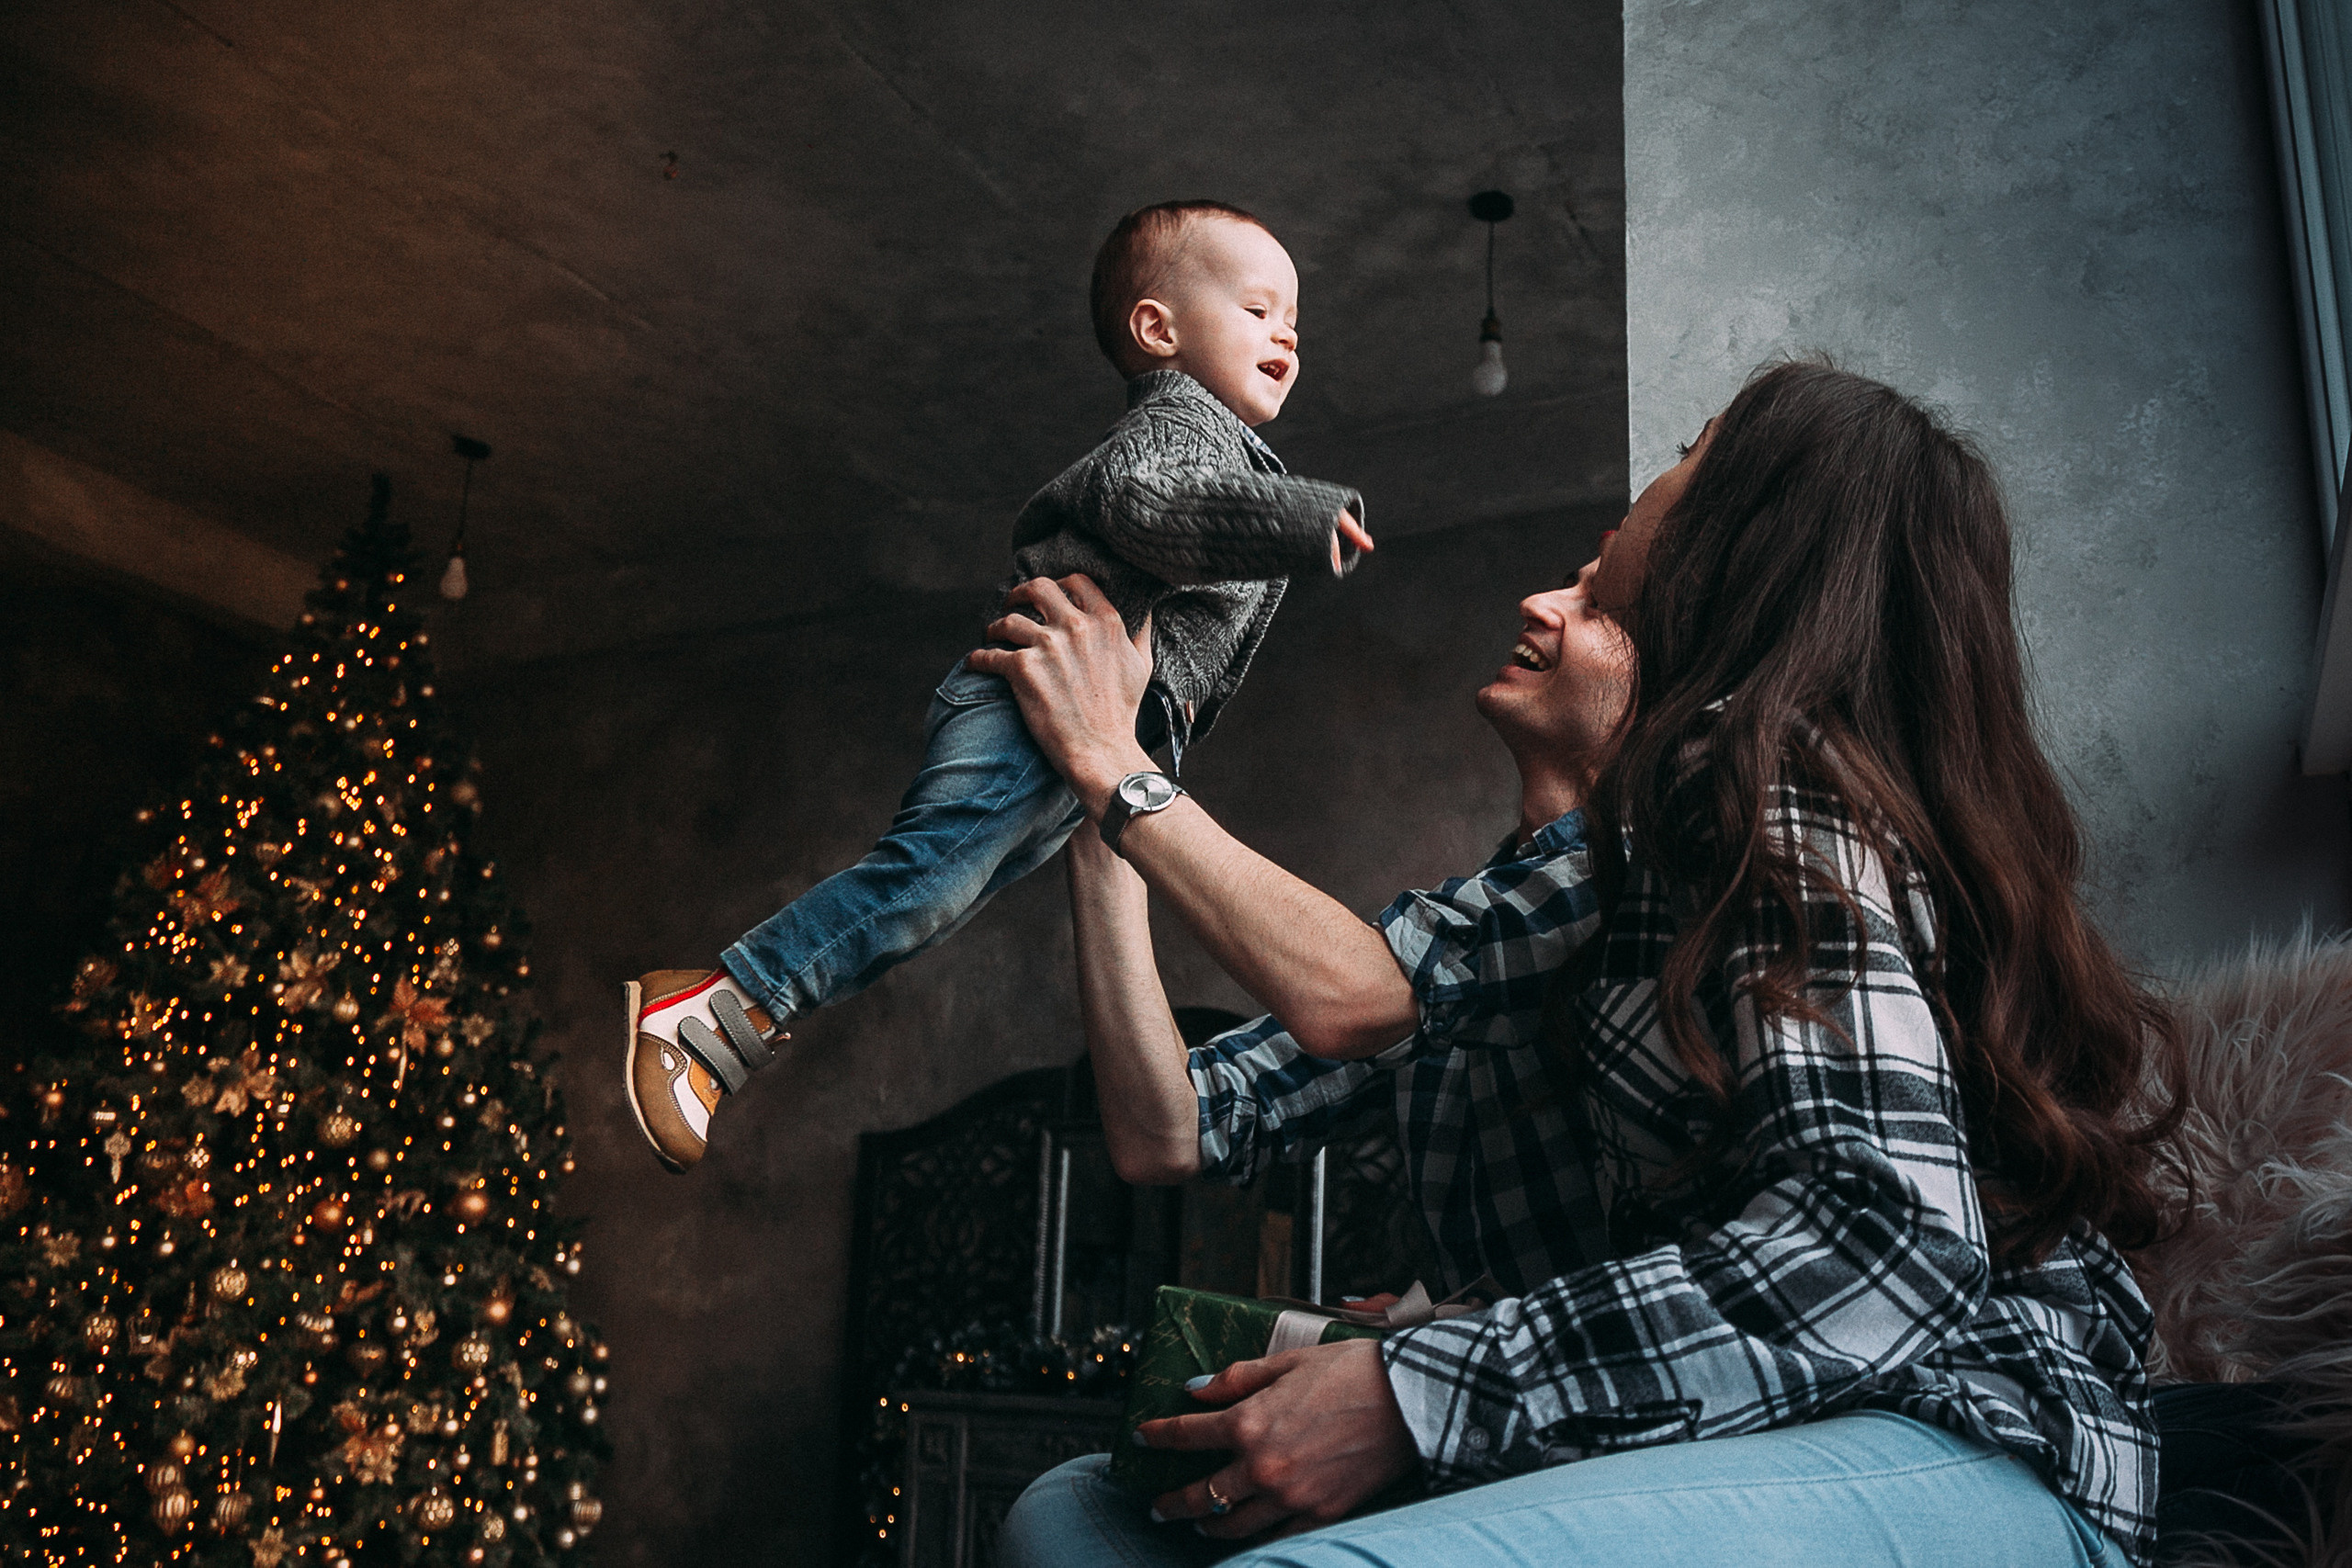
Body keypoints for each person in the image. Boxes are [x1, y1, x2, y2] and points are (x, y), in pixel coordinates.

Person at [975, 361, 2173, 1567]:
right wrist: (1094, 824)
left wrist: (1419, 1384)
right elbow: (1169, 1127)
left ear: (1745, 555)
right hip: (1700, 1434)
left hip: (1963, 1432)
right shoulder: (1506, 922)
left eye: (1695, 448)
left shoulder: (1770, 793)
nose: (1544, 599)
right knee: (1074, 1514)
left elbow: (1882, 1249)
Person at [621, 199, 1374, 1172]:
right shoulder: (1183, 427)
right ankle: (716, 1005)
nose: (1286, 336)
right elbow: (1151, 506)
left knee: (949, 886)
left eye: (1295, 326)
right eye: (1260, 310)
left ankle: (734, 1011)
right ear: (1159, 331)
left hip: (1075, 720)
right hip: (1036, 703)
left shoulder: (1225, 446)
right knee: (931, 877)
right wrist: (1294, 522)